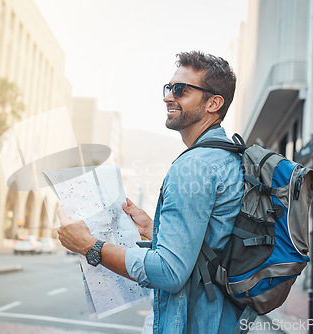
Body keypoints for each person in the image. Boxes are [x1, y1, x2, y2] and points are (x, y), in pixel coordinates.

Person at [57, 51, 244, 333]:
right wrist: (155, 230)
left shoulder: (194, 166)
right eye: (168, 88)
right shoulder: (227, 158)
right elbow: (211, 248)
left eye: (180, 90)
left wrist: (90, 246)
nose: (169, 97)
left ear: (213, 103)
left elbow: (169, 272)